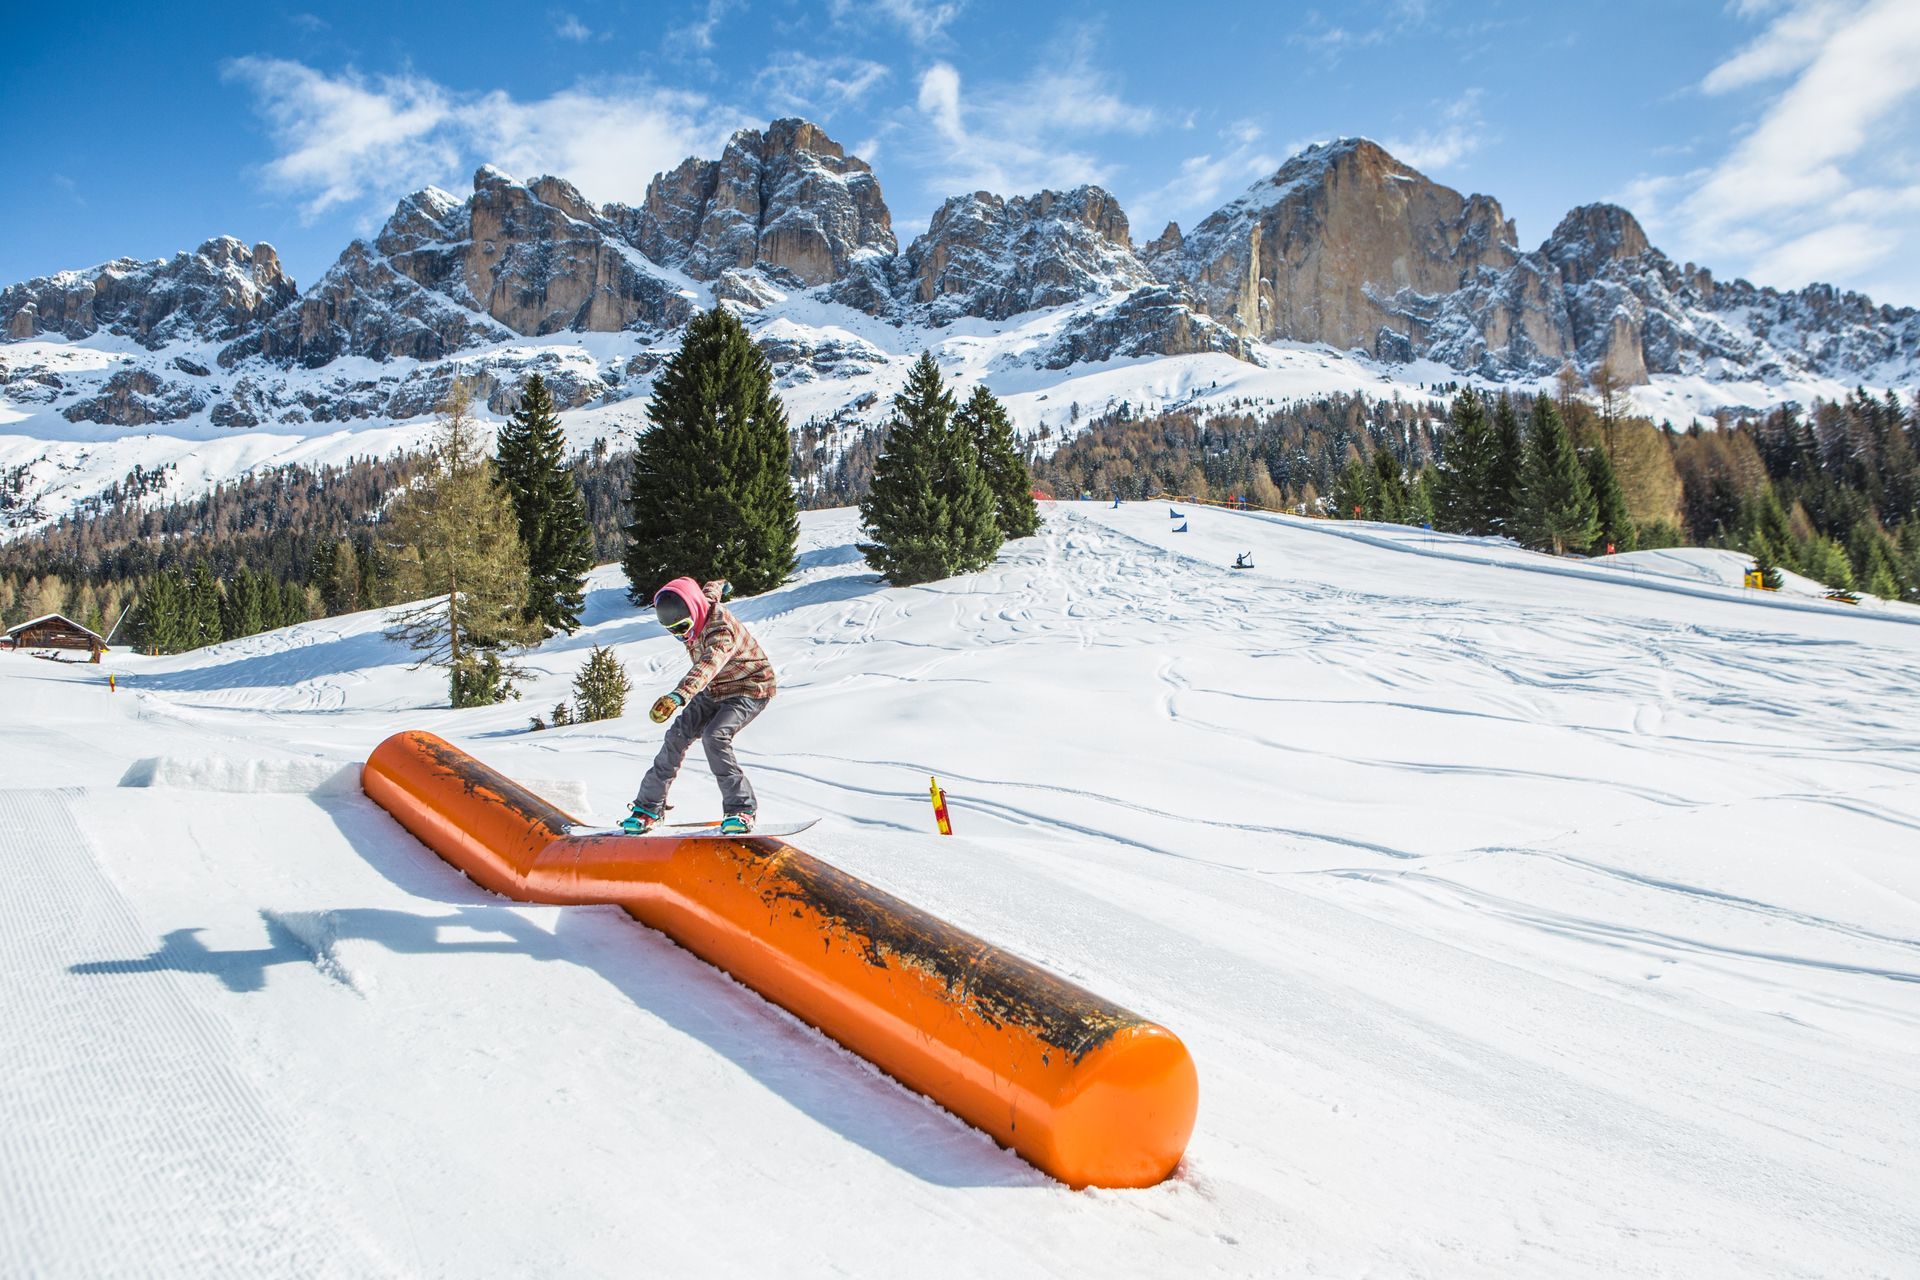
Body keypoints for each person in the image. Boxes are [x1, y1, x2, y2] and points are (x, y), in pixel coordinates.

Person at [624, 577, 777, 835]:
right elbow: (709, 590)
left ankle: (741, 809)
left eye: (682, 626)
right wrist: (722, 583)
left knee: (715, 736)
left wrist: (679, 695)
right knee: (676, 736)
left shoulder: (720, 633)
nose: (681, 634)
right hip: (715, 689)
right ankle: (649, 807)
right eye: (672, 630)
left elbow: (708, 665)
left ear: (694, 611)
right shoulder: (701, 604)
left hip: (749, 687)